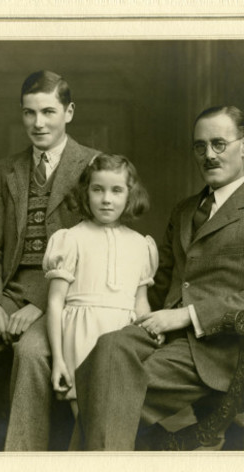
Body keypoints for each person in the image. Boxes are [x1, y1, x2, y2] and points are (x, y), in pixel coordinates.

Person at [75, 106, 244, 450]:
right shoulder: (184, 211)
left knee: (107, 386)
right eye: (200, 146)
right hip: (166, 337)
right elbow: (160, 281)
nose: (208, 155)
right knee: (107, 349)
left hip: (223, 351)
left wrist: (186, 315)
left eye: (219, 144)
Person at [0, 70, 100, 451]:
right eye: (29, 113)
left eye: (48, 111)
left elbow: (96, 250)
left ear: (69, 112)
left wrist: (38, 305)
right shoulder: (7, 169)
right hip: (7, 292)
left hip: (66, 296)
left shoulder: (95, 166)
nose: (38, 123)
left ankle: (22, 465)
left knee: (31, 353)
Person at [43, 154, 157, 421]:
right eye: (98, 190)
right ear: (86, 193)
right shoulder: (71, 239)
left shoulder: (141, 245)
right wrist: (58, 359)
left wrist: (148, 337)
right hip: (81, 334)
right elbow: (55, 302)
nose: (107, 199)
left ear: (130, 194)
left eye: (117, 190)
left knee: (120, 419)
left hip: (123, 334)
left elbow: (141, 302)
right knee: (86, 419)